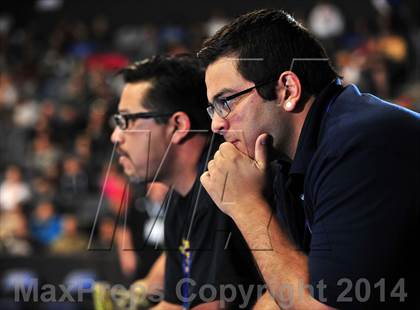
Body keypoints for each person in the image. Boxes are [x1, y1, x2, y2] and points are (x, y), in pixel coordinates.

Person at [198, 8, 420, 310]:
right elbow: (288, 285)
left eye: (225, 102)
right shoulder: (286, 158)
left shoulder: (363, 142)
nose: (216, 124)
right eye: (213, 108)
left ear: (288, 89)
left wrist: (246, 206)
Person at [110, 55, 263, 309]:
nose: (116, 136)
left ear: (178, 125)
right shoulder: (179, 197)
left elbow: (209, 307)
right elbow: (173, 303)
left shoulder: (221, 183)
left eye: (127, 121)